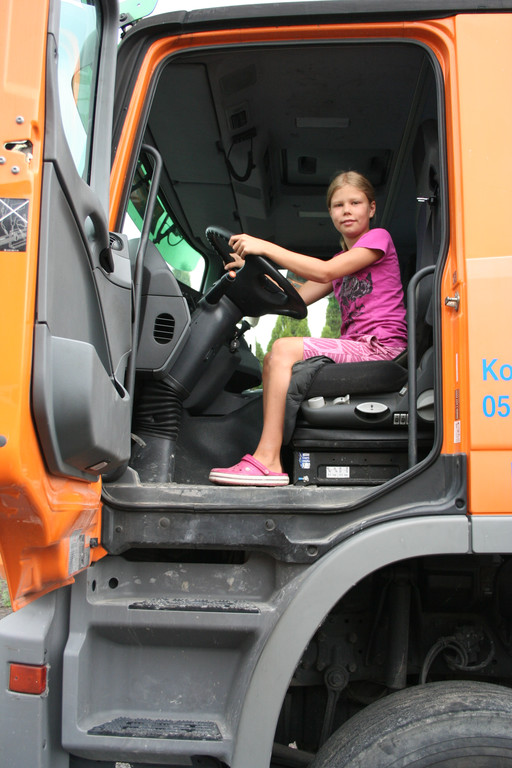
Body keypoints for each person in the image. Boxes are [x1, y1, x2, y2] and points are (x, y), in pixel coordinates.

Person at [209, 171, 407, 487]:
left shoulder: (378, 239)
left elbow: (325, 271)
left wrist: (264, 247)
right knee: (275, 356)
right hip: (358, 345)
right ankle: (270, 457)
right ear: (330, 213)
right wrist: (251, 270)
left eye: (355, 203)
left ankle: (268, 460)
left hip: (382, 347)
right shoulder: (342, 259)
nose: (347, 210)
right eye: (338, 205)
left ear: (371, 208)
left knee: (283, 348)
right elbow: (296, 296)